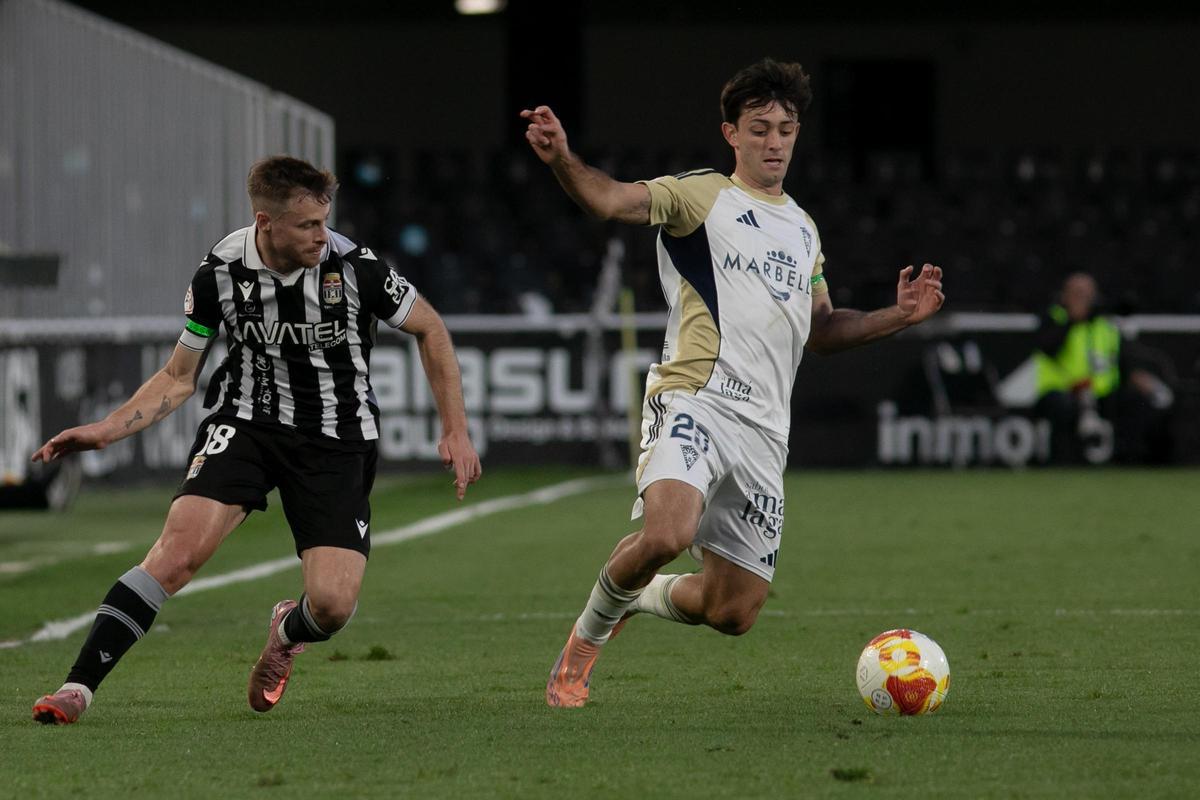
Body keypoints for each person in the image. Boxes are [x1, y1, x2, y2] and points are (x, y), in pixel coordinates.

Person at [521, 57, 946, 708]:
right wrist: (561, 160)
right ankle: (581, 649)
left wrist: (899, 315)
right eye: (760, 128)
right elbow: (608, 199)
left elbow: (823, 329)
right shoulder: (700, 195)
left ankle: (640, 596)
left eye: (785, 128)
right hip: (696, 396)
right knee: (666, 535)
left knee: (732, 611)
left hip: (764, 432)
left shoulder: (803, 231)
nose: (774, 141)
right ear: (731, 135)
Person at [30, 156, 481, 724]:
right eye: (307, 225)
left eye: (324, 221)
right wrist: (103, 431)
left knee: (334, 608)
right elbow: (178, 377)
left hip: (336, 440)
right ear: (265, 222)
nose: (323, 235)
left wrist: (455, 429)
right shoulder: (220, 270)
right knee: (176, 555)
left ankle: (287, 631)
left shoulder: (355, 265)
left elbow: (430, 328)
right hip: (247, 424)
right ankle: (76, 688)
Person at [1034, 271, 1174, 463]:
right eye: (1078, 293)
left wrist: (1137, 377)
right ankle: (1063, 461)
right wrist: (1071, 320)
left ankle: (1132, 460)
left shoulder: (1105, 324)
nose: (1083, 299)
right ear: (1065, 295)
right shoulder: (1053, 318)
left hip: (1102, 392)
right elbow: (1048, 348)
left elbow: (1122, 360)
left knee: (1137, 403)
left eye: (1087, 294)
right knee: (1063, 407)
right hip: (1062, 391)